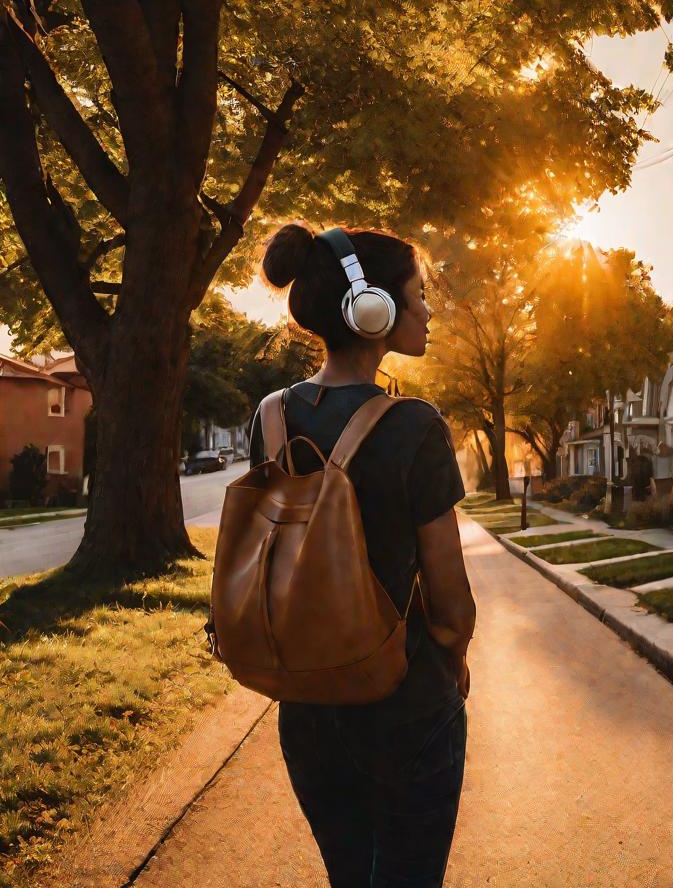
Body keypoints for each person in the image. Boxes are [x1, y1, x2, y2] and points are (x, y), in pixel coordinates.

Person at [247, 222, 477, 888]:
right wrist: (452, 661)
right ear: (369, 309)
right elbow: (451, 601)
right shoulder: (417, 427)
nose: (428, 310)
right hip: (407, 708)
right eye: (418, 295)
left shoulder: (270, 418)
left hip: (308, 709)